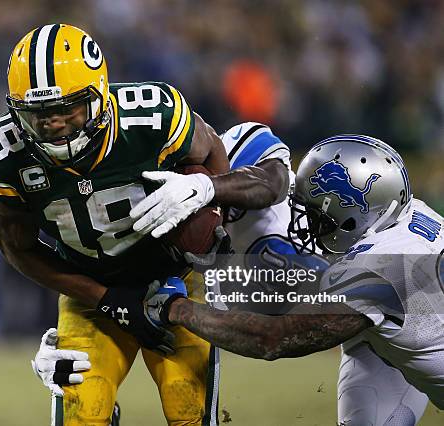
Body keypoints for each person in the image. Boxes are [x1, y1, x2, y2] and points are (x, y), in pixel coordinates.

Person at [0, 24, 289, 425]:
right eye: (40, 116)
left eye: (69, 110)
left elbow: (212, 149)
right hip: (90, 291)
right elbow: (17, 247)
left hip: (175, 279)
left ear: (101, 96)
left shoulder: (152, 115)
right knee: (81, 416)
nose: (55, 126)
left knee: (186, 412)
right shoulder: (1, 155)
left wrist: (208, 207)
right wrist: (105, 298)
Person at [149, 134, 443, 423]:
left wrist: (178, 308)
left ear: (355, 213)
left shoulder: (377, 269)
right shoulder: (407, 216)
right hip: (393, 337)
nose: (306, 227)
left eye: (316, 216)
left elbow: (273, 338)